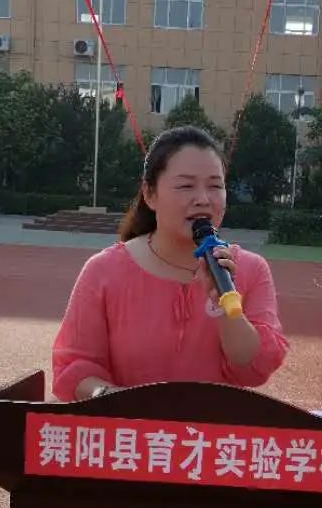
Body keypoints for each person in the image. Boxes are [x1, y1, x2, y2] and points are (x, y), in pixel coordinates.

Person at [52, 126, 288, 400]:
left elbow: (253, 370)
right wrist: (113, 398)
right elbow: (74, 368)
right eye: (186, 186)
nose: (203, 199)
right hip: (130, 425)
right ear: (150, 194)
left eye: (215, 186)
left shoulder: (251, 270)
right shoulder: (103, 271)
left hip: (212, 428)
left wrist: (225, 304)